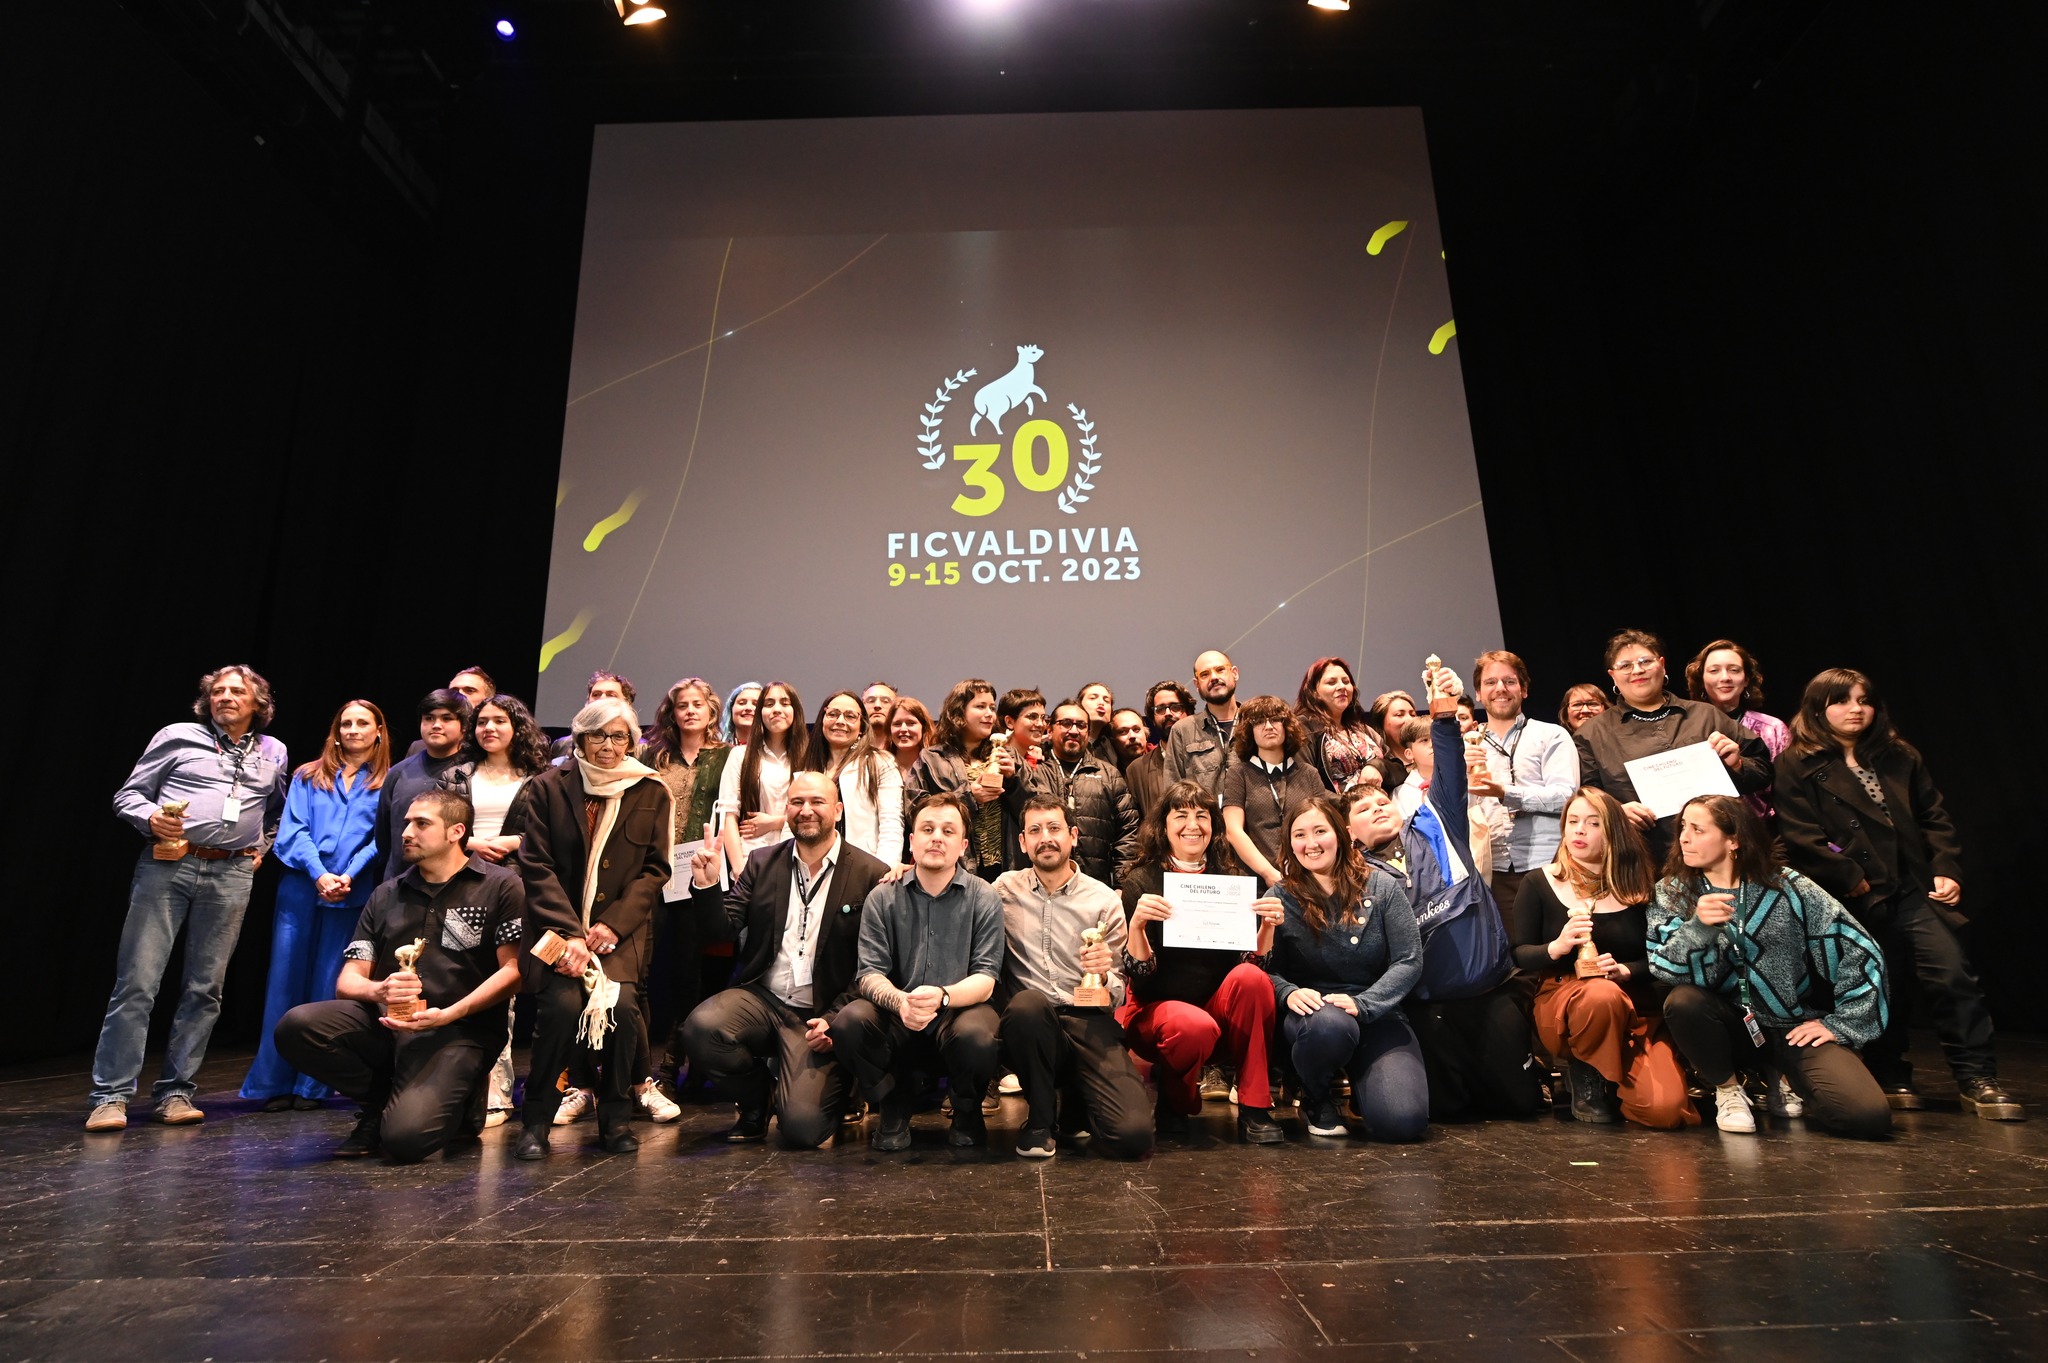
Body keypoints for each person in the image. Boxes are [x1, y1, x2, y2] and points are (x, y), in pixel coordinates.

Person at [1774, 669, 2021, 1120]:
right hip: (1855, 895)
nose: (1856, 709)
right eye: (1842, 700)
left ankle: (1977, 1079)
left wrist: (1946, 869)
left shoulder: (1897, 755)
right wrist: (1850, 876)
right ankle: (1892, 1074)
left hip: (1912, 888)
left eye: (1864, 700)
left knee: (1952, 976)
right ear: (1817, 708)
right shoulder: (1798, 761)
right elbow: (1800, 834)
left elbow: (1934, 817)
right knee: (1882, 982)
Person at [272, 788, 526, 1162]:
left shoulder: (500, 885)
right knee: (297, 1026)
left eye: (422, 824)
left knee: (405, 1142)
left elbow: (514, 971)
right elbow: (348, 981)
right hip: (390, 1024)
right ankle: (378, 1104)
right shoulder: (387, 893)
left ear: (456, 832)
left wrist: (451, 1013)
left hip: (459, 1030)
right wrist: (380, 990)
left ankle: (463, 1098)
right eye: (407, 822)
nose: (407, 832)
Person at [89, 665, 290, 1131]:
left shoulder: (272, 751)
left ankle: (176, 1092)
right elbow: (129, 796)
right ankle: (111, 1097)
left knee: (205, 989)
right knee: (138, 983)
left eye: (237, 691)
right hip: (168, 867)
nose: (225, 697)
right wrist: (152, 818)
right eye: (217, 691)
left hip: (231, 874)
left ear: (258, 703)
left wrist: (258, 850)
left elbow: (277, 811)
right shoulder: (177, 736)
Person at [1348, 693, 1543, 1123]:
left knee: (1520, 1106)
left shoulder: (1440, 825)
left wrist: (1442, 714)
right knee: (1445, 1113)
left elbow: (1451, 768)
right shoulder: (1353, 877)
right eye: (1364, 808)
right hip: (1424, 1009)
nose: (1378, 807)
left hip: (1488, 995)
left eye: (1383, 802)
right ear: (1349, 833)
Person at [1649, 795, 1892, 1138]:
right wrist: (1698, 928)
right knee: (1684, 1001)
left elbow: (1859, 948)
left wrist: (1843, 1024)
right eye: (1683, 828)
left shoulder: (1787, 885)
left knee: (1867, 1118)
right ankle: (1729, 1090)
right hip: (1727, 1026)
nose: (1684, 838)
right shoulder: (1673, 892)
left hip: (1789, 1027)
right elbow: (1663, 968)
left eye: (1698, 829)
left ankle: (1779, 1074)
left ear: (1733, 840)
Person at [680, 772, 892, 1146]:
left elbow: (874, 965)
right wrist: (707, 885)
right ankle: (756, 1098)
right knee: (701, 1029)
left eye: (817, 802)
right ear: (786, 810)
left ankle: (843, 1085)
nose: (806, 810)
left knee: (802, 1130)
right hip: (764, 998)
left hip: (821, 1011)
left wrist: (832, 1021)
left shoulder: (870, 873)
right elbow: (722, 932)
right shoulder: (761, 863)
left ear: (838, 811)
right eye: (797, 802)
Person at [513, 697, 674, 1159]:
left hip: (617, 935)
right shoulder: (547, 787)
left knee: (623, 1013)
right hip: (555, 933)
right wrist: (572, 935)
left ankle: (616, 1120)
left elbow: (654, 871)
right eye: (598, 735)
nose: (608, 745)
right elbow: (536, 866)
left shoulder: (650, 790)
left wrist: (610, 926)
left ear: (632, 741)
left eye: (619, 736)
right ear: (580, 738)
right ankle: (536, 1122)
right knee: (561, 1012)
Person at [1510, 788, 1697, 1128]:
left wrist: (1626, 970)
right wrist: (1558, 946)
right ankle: (1586, 1069)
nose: (1578, 830)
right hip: (1567, 999)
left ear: (1612, 832)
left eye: (1592, 823)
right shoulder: (1539, 882)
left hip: (1635, 1006)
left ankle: (1617, 1078)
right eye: (1573, 821)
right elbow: (1520, 953)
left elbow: (1660, 958)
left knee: (1664, 1111)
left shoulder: (1639, 885)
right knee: (1600, 995)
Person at [830, 793, 1005, 1151]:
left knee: (981, 1034)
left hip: (957, 1012)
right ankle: (893, 1102)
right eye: (927, 829)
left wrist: (942, 996)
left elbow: (986, 979)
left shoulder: (984, 897)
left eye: (947, 830)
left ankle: (966, 1107)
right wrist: (901, 1002)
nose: (936, 837)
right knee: (849, 1021)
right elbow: (869, 973)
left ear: (963, 845)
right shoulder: (883, 896)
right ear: (912, 841)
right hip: (898, 1015)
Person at [240, 699, 390, 1111]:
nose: (354, 730)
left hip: (353, 891)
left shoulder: (389, 781)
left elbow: (382, 839)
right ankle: (272, 1083)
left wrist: (349, 875)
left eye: (363, 723)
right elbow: (293, 829)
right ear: (335, 731)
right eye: (346, 723)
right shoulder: (308, 774)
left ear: (379, 730)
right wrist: (319, 874)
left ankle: (313, 1084)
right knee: (284, 983)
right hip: (302, 888)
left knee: (330, 985)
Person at [1119, 779, 1284, 1143]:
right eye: (1181, 815)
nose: (1192, 825)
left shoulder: (1234, 881)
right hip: (1159, 1014)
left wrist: (1268, 927)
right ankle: (1175, 1101)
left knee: (1253, 981)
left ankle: (1255, 1107)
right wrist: (1137, 927)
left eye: (1202, 816)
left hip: (1218, 1011)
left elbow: (1252, 966)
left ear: (1214, 826)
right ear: (1163, 826)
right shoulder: (1141, 882)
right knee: (1191, 1024)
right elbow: (1140, 979)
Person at [993, 795, 1153, 1158]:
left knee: (1132, 1138)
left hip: (1089, 1022)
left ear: (1074, 835)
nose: (1045, 837)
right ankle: (1040, 1119)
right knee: (1026, 1007)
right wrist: (903, 869)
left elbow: (1119, 989)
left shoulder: (1104, 901)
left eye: (1054, 828)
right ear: (1022, 842)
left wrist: (1103, 973)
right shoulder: (1003, 890)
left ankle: (1077, 1100)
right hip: (1032, 1026)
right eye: (1034, 830)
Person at [1267, 795, 1429, 1141]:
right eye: (1299, 835)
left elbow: (1409, 958)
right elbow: (1264, 968)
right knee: (1330, 1025)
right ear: (1288, 844)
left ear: (1341, 834)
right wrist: (1287, 992)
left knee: (1403, 1123)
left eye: (1320, 831)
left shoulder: (1382, 886)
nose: (1310, 843)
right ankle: (1315, 1094)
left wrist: (1365, 1004)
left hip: (1376, 1010)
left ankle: (1364, 1083)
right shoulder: (1279, 896)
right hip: (1315, 1015)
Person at [1573, 630, 1771, 861]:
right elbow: (1587, 794)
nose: (1637, 670)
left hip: (1720, 856)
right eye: (1625, 665)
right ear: (1613, 676)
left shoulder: (1706, 716)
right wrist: (1614, 812)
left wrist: (1737, 764)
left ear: (1662, 665)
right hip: (1643, 858)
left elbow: (1763, 771)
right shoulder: (1591, 734)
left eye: (1645, 661)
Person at [643, 676, 736, 1094]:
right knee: (656, 969)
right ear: (672, 712)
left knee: (696, 970)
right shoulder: (654, 756)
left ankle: (682, 1063)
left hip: (702, 873)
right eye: (683, 705)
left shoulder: (727, 757)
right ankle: (652, 1068)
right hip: (655, 870)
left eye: (699, 704)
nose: (691, 711)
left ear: (712, 711)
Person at [464, 694, 551, 1128]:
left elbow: (546, 831)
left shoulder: (538, 778)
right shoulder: (458, 774)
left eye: (499, 721)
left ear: (516, 727)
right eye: (482, 721)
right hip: (460, 883)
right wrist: (471, 843)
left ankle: (498, 1092)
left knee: (505, 986)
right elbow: (438, 821)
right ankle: (461, 1086)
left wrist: (513, 843)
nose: (489, 729)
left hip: (512, 886)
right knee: (462, 981)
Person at [1468, 650, 1579, 914]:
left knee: (1565, 947)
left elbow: (1566, 796)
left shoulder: (1552, 735)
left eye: (1509, 681)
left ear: (1524, 690)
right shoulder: (1469, 745)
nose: (1500, 689)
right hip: (1493, 869)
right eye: (1490, 682)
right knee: (1514, 952)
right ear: (1478, 694)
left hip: (1552, 862)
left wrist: (1506, 793)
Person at [905, 678, 1020, 880]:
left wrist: (1014, 780)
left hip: (1006, 866)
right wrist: (969, 797)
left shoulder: (1007, 754)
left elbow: (1034, 807)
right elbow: (915, 808)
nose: (989, 714)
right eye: (980, 706)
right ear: (959, 713)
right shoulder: (932, 758)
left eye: (992, 708)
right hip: (957, 865)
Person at [1219, 695, 1330, 888]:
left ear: (1287, 726)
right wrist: (1268, 872)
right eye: (1259, 722)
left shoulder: (1308, 774)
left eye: (1275, 720)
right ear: (1248, 730)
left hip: (1308, 878)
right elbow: (1232, 830)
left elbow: (1325, 827)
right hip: (1256, 881)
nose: (1268, 726)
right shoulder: (1239, 774)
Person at [1032, 700, 1141, 886]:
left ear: (1088, 732)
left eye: (1081, 725)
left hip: (1096, 888)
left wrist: (1122, 886)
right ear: (1049, 730)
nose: (1074, 731)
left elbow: (1128, 833)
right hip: (1039, 886)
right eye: (1066, 723)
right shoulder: (1035, 771)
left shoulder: (1109, 775)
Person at [373, 690, 473, 883]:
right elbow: (384, 838)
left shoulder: (473, 771)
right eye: (429, 718)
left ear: (464, 726)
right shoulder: (398, 772)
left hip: (457, 886)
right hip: (401, 885)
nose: (436, 725)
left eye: (446, 718)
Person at [1685, 639, 1791, 821]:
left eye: (1734, 670)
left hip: (1763, 832)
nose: (1725, 677)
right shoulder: (1684, 726)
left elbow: (1788, 791)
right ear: (1701, 679)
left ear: (1746, 679)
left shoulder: (1772, 728)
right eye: (1714, 670)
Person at [717, 681, 811, 859]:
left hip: (799, 856)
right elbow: (728, 817)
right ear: (760, 712)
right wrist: (739, 870)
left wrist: (774, 823)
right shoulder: (740, 756)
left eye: (785, 703)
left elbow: (818, 814)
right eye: (769, 704)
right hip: (751, 857)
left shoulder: (809, 757)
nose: (776, 709)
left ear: (796, 711)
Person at [814, 689, 905, 864]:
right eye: (833, 714)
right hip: (813, 866)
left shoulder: (880, 762)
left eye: (850, 716)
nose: (840, 721)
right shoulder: (807, 764)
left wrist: (884, 868)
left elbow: (891, 821)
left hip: (862, 866)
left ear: (862, 727)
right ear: (822, 720)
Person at [1295, 656, 1386, 792]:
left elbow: (1395, 765)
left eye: (1346, 681)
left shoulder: (1362, 729)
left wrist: (1375, 766)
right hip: (1336, 809)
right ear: (1314, 692)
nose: (1342, 687)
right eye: (1331, 682)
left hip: (1379, 804)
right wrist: (1349, 805)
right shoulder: (1304, 728)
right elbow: (1306, 785)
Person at [1163, 651, 1243, 796]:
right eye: (1204, 674)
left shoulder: (1257, 723)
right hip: (1205, 818)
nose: (1214, 677)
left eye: (1220, 670)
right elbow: (1173, 793)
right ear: (1197, 684)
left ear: (1235, 673)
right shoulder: (1183, 731)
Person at [1125, 682, 1192, 820]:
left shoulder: (1208, 757)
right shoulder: (1136, 770)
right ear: (1153, 718)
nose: (1168, 713)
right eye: (1160, 709)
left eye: (1175, 707)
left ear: (1189, 712)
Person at [547, 672, 639, 762]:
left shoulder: (643, 749)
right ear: (587, 701)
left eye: (611, 695)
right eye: (596, 694)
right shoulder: (562, 745)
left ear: (627, 703)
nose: (602, 699)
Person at [1367, 690, 1419, 790]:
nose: (1409, 720)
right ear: (1381, 723)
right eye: (1399, 715)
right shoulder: (1376, 768)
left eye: (1412, 714)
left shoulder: (1431, 756)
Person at [1075, 680, 1120, 766]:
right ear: (1079, 705)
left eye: (1106, 700)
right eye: (1093, 698)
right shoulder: (1060, 740)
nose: (1101, 703)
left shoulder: (1115, 746)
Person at [722, 681, 763, 747]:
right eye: (742, 703)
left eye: (756, 704)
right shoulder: (715, 751)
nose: (748, 708)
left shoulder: (774, 749)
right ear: (731, 708)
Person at [861, 680, 899, 749]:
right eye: (871, 701)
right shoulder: (849, 750)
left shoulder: (903, 752)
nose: (877, 705)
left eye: (885, 701)